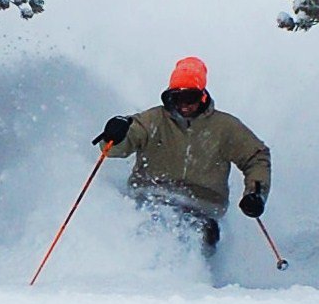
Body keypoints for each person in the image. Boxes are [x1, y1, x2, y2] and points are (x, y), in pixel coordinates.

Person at [94, 56, 271, 255]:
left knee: (197, 235)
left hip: (202, 207)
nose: (185, 105)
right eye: (178, 98)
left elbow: (256, 157)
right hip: (151, 198)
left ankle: (193, 280)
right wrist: (115, 135)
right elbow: (115, 147)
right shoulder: (153, 120)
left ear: (203, 96)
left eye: (191, 98)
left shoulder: (225, 128)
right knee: (148, 226)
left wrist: (255, 194)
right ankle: (135, 272)